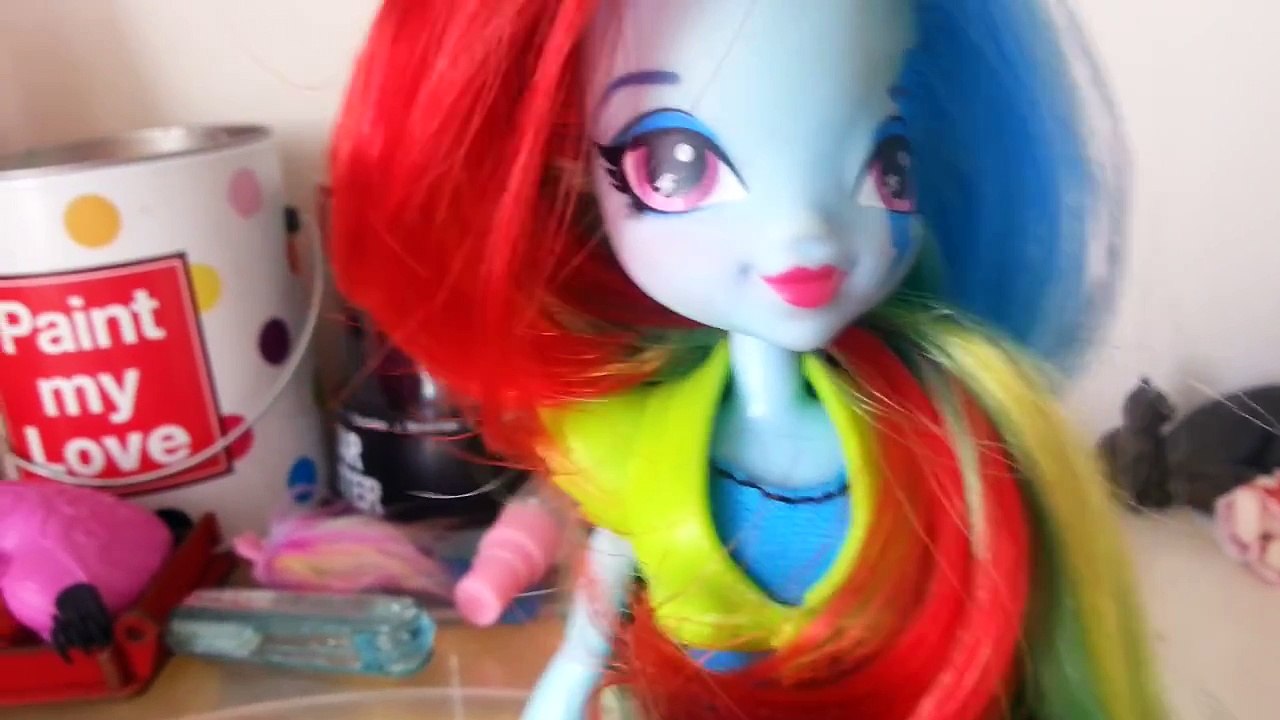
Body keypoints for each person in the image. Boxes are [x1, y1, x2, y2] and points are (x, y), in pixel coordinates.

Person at [328, 2, 1165, 718]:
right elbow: (593, 636)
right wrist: (566, 685)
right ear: (571, 181)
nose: (806, 231)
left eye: (888, 164)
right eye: (676, 165)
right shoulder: (629, 446)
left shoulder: (951, 437)